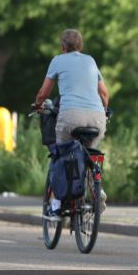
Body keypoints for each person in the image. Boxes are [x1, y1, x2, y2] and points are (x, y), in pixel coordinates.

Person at [34, 29, 109, 216]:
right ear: (81, 46)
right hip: (97, 118)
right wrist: (105, 112)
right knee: (89, 154)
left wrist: (38, 105)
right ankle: (96, 190)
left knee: (61, 154)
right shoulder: (91, 60)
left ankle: (57, 205)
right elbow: (105, 93)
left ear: (62, 47)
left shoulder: (58, 60)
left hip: (70, 116)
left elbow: (44, 94)